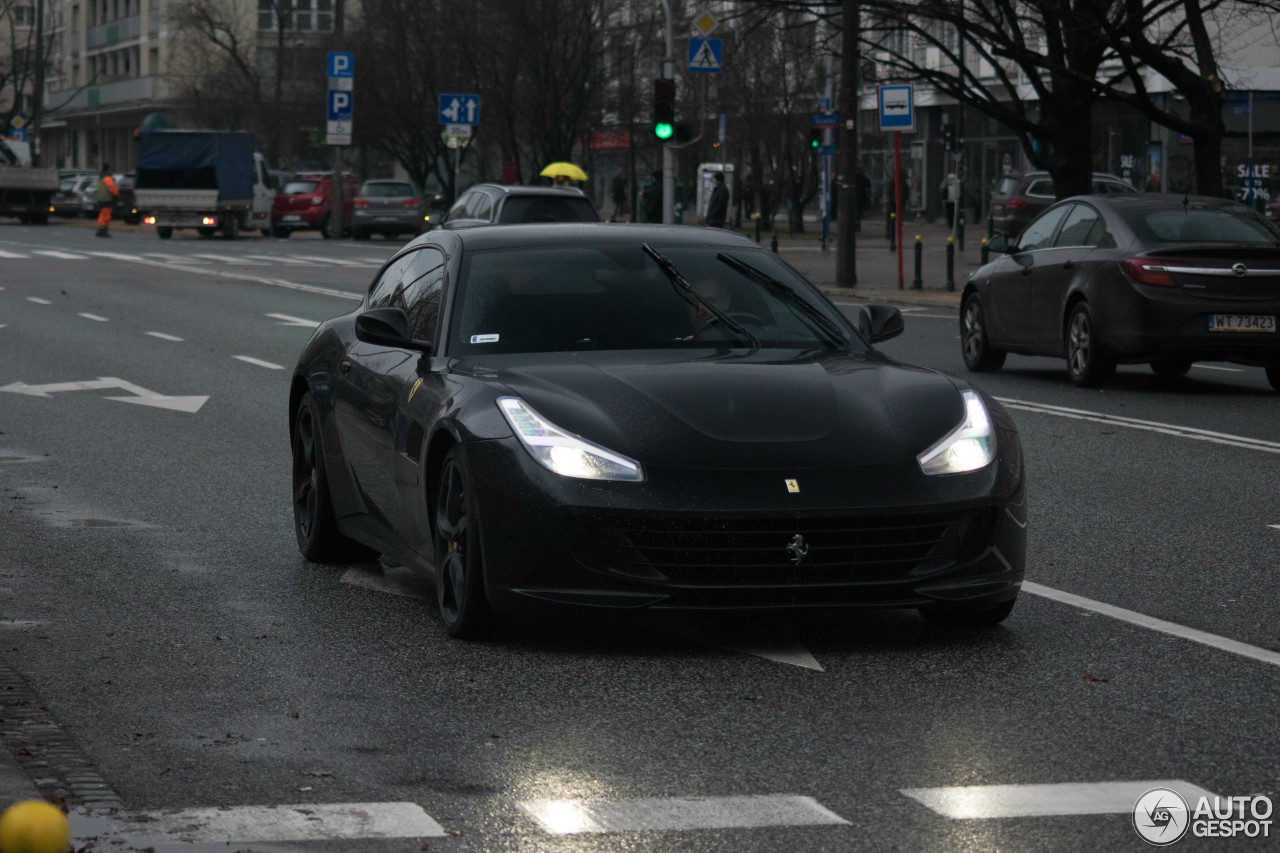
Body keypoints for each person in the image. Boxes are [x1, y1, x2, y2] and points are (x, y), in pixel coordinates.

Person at [95, 163, 119, 237]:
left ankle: (100, 229)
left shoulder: (100, 177)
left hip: (100, 199)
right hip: (107, 200)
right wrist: (116, 195)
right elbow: (112, 189)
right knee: (106, 216)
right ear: (108, 169)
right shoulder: (107, 178)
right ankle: (103, 230)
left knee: (102, 215)